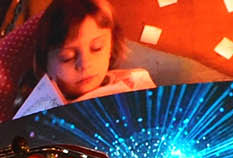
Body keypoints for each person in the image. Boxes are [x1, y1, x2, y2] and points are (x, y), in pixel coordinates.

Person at [13, 0, 155, 119]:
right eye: (66, 57)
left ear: (111, 48)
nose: (85, 64)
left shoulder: (133, 82)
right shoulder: (38, 111)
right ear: (44, 64)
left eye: (97, 48)